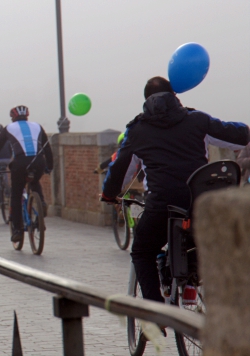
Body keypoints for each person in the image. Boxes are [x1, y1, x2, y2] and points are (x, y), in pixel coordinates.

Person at [101, 76, 249, 305]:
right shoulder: (197, 121)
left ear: (146, 100)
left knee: (142, 251)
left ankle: (154, 310)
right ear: (174, 96)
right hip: (200, 205)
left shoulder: (137, 130)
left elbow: (121, 169)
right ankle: (194, 279)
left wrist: (109, 194)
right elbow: (240, 136)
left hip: (161, 206)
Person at [0, 106, 53, 243]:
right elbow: (47, 148)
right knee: (34, 182)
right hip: (38, 161)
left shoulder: (9, 128)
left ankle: (16, 230)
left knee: (16, 194)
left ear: (13, 118)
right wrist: (49, 167)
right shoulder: (38, 126)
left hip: (20, 163)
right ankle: (42, 203)